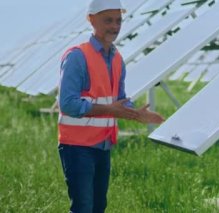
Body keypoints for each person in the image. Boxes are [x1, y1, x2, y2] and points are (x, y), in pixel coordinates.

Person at [57, 0, 164, 212]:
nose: (115, 26)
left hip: (103, 146)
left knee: (98, 206)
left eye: (118, 20)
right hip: (77, 147)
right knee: (83, 207)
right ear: (91, 19)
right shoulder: (77, 57)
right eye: (108, 20)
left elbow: (119, 99)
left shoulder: (117, 59)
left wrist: (136, 114)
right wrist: (110, 110)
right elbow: (68, 104)